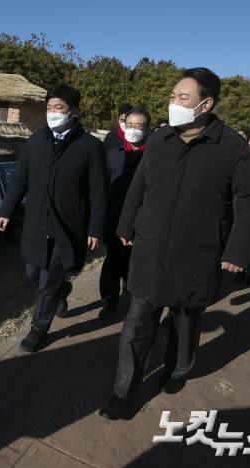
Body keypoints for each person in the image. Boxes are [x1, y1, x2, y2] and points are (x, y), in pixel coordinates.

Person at [99, 68, 250, 420]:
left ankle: (177, 370)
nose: (173, 103)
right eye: (172, 96)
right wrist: (126, 225)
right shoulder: (159, 140)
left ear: (206, 104)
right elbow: (138, 187)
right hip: (149, 250)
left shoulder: (232, 148)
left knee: (184, 325)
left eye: (182, 97)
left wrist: (237, 251)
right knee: (135, 326)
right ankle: (123, 392)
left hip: (196, 256)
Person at [0, 83, 107, 352]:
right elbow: (18, 182)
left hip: (68, 225)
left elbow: (98, 192)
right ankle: (62, 290)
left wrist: (95, 227)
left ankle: (38, 328)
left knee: (48, 279)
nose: (52, 112)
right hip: (36, 222)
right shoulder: (35, 143)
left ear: (74, 112)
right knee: (33, 271)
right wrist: (6, 211)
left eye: (59, 108)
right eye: (49, 107)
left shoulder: (90, 146)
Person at [98, 108, 151, 319]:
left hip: (142, 219)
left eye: (139, 126)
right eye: (130, 125)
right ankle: (109, 302)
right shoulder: (113, 154)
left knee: (134, 262)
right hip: (115, 217)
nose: (134, 130)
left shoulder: (154, 156)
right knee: (112, 260)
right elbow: (102, 187)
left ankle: (131, 294)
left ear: (147, 129)